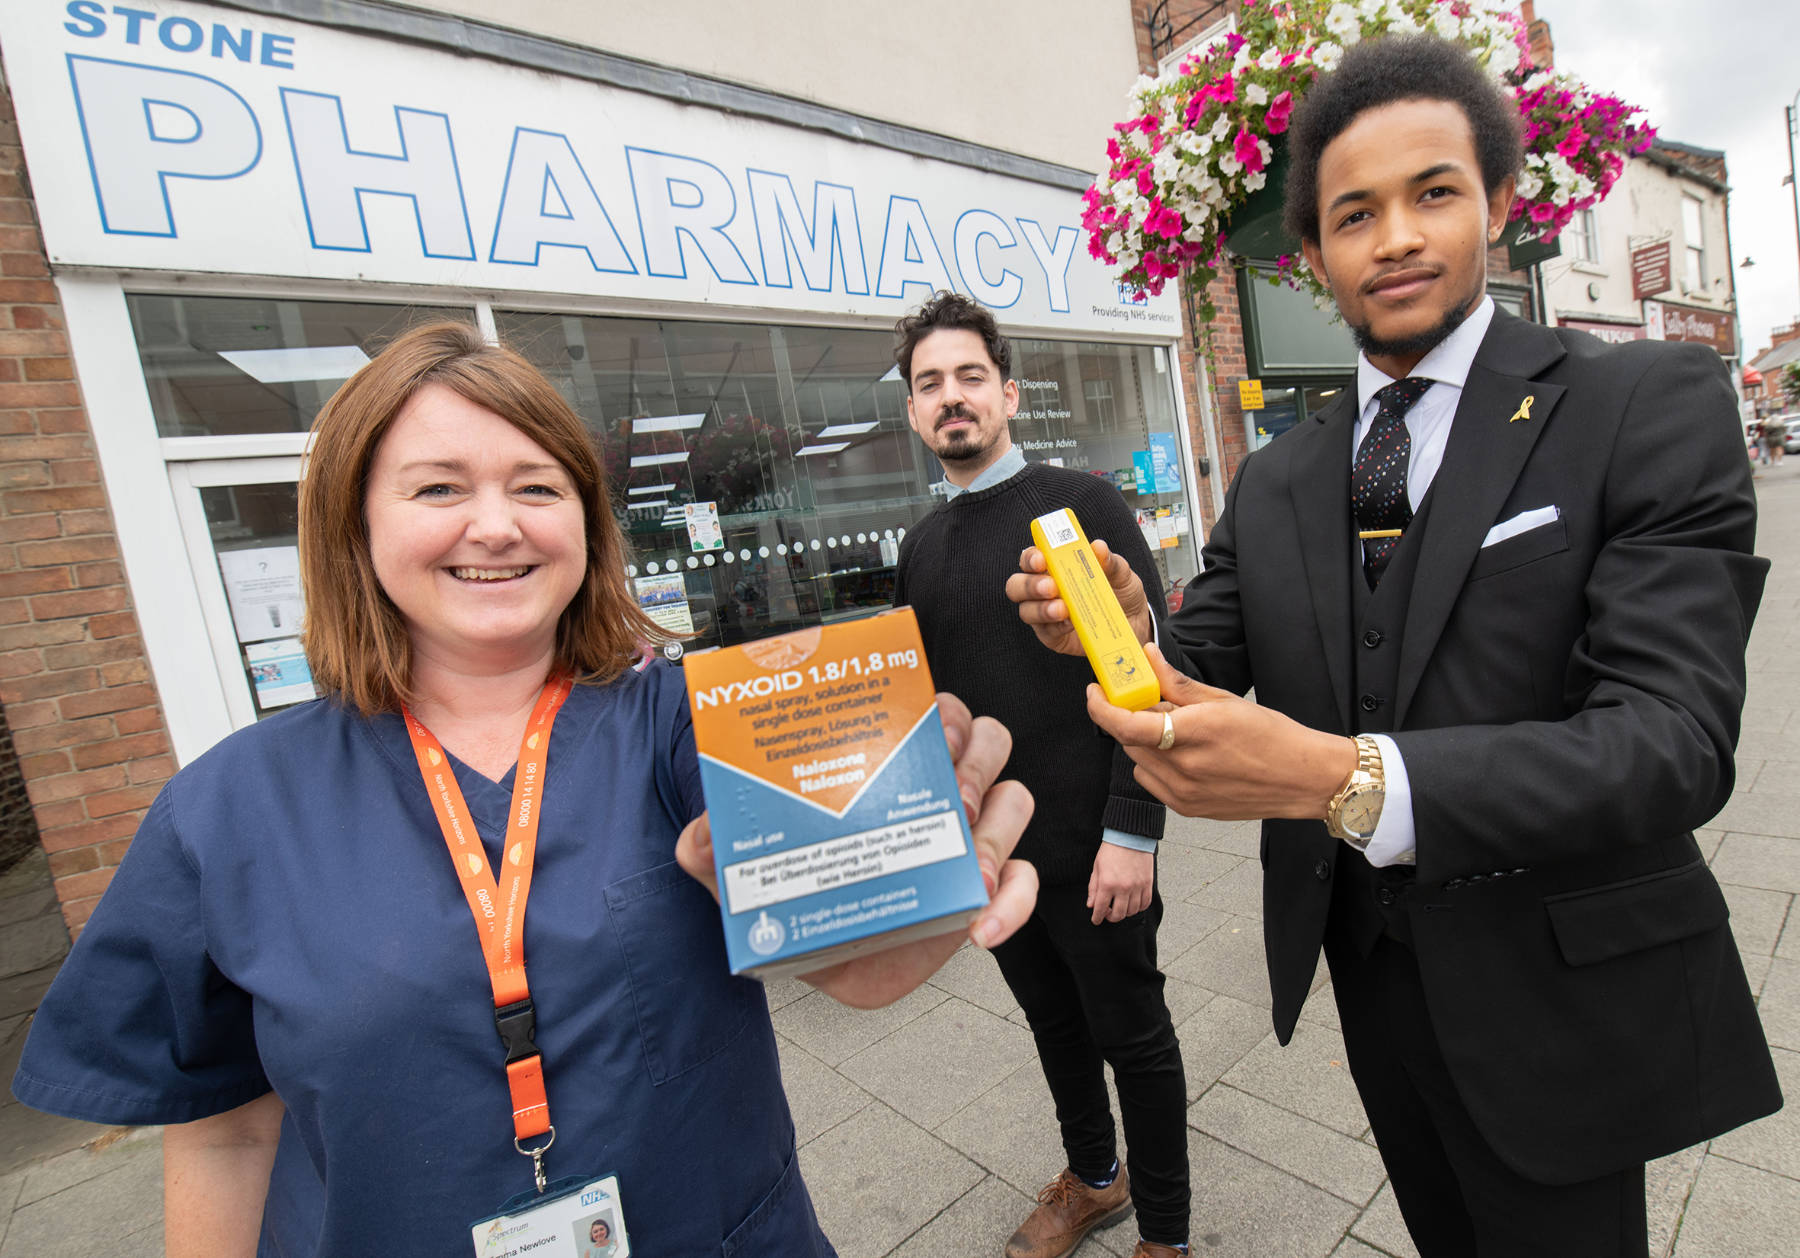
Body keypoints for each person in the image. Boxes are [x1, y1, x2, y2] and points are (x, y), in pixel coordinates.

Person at [10, 323, 1037, 1257]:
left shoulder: (686, 725)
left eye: (538, 487)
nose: (496, 524)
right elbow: (228, 1126)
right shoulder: (229, 810)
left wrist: (927, 875)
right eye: (438, 488)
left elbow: (858, 970)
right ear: (354, 525)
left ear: (585, 527)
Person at [1009, 35, 1780, 1258]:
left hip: (1560, 986)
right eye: (1356, 214)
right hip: (1371, 977)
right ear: (1313, 258)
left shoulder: (1641, 405)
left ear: (1502, 204)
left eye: (1434, 192)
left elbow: (1673, 743)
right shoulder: (1275, 479)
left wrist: (1343, 779)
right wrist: (1125, 623)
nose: (1400, 238)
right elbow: (1199, 653)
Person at [892, 292, 1190, 1258]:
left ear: (1009, 393)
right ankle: (1096, 1182)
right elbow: (932, 715)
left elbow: (1153, 675)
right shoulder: (921, 551)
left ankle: (1170, 1238)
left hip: (1099, 844)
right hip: (999, 860)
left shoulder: (1083, 506)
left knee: (1134, 1039)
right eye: (930, 383)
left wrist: (1133, 829)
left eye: (970, 377)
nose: (952, 398)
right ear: (912, 411)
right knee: (1055, 1029)